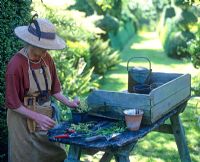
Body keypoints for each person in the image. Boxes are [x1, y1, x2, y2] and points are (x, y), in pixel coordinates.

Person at [5, 15, 80, 162]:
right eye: (44, 46)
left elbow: (55, 90)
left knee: (57, 154)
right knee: (26, 158)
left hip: (45, 118)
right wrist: (36, 117)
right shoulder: (15, 65)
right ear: (32, 43)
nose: (47, 50)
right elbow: (13, 104)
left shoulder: (47, 59)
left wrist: (69, 103)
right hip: (22, 123)